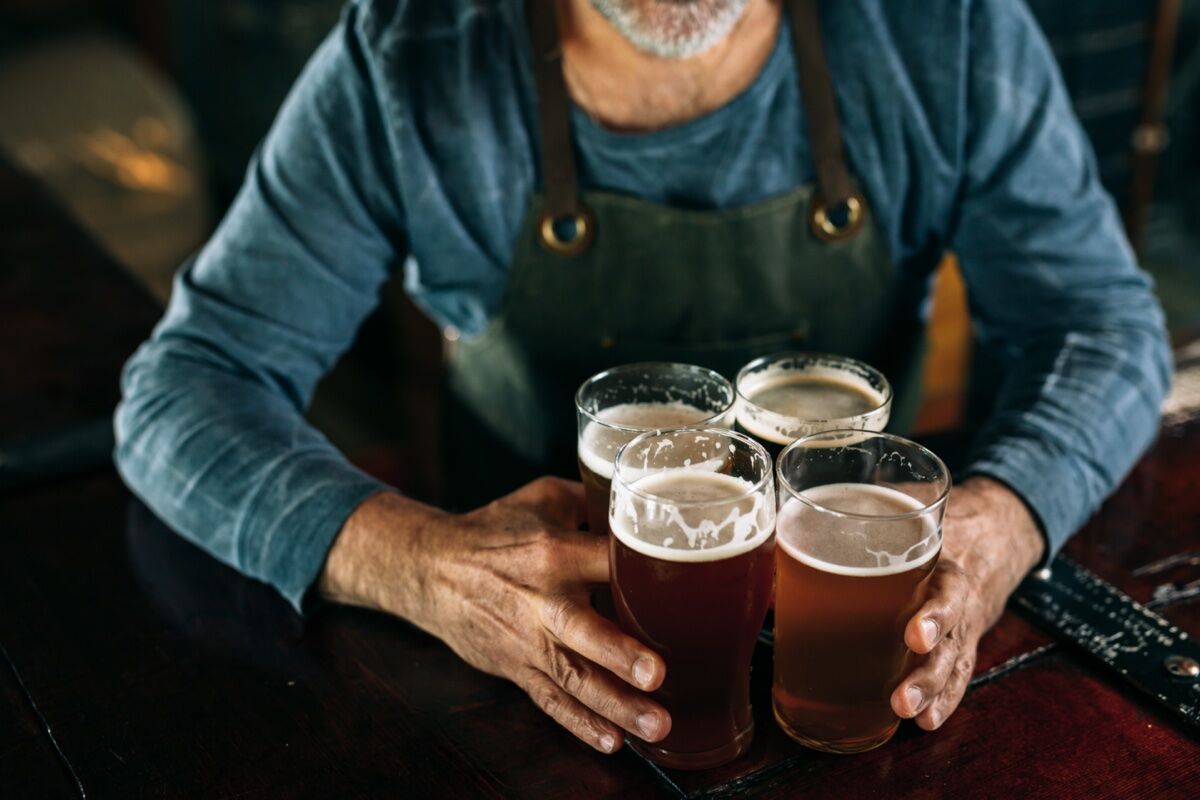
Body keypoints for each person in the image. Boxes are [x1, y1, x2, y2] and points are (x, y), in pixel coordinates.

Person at [115, 0, 1172, 755]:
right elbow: (183, 390)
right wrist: (420, 562)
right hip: (526, 691)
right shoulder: (407, 55)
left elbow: (1105, 326)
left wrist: (998, 528)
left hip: (851, 675)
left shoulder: (947, 30)